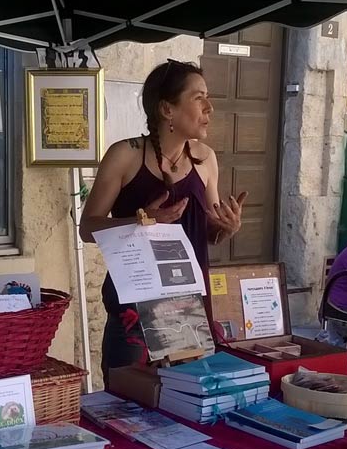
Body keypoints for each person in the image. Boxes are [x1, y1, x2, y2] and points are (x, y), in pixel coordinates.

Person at [79, 60, 247, 388]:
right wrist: (142, 220)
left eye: (207, 97)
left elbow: (208, 233)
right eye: (198, 98)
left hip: (189, 311)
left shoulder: (206, 158)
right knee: (128, 410)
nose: (209, 107)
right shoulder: (125, 155)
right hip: (134, 311)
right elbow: (88, 228)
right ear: (167, 109)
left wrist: (227, 228)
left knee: (187, 407)